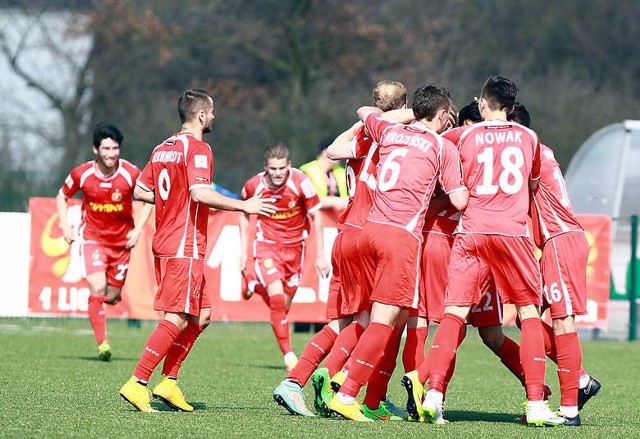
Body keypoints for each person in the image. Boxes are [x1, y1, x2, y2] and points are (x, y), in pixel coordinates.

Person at [403, 76, 566, 427]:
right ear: (510, 108)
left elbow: (428, 143)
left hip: (471, 231)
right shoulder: (529, 138)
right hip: (512, 233)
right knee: (529, 314)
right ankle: (536, 402)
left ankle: (433, 394)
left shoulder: (465, 135)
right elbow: (532, 184)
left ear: (482, 104)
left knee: (454, 315)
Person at [118, 88, 275, 413]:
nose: (215, 116)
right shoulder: (199, 148)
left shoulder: (162, 148)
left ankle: (169, 382)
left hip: (165, 240)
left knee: (201, 315)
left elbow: (141, 190)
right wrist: (244, 205)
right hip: (183, 243)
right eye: (212, 112)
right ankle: (137, 381)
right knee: (176, 316)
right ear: (201, 115)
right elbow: (201, 193)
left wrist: (172, 199)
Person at [327, 83, 468, 422]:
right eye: (446, 114)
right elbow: (460, 200)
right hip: (400, 236)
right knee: (385, 321)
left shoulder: (389, 130)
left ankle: (364, 394)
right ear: (439, 115)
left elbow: (365, 112)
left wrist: (411, 114)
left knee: (384, 317)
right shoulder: (440, 146)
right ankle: (346, 391)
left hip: (368, 231)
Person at [272, 80, 410, 420]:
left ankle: (309, 380)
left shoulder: (363, 135)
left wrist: (364, 119)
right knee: (376, 321)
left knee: (343, 322)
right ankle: (330, 379)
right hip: (372, 235)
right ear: (404, 105)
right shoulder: (397, 138)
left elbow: (332, 151)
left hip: (346, 232)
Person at [509, 102, 601, 425]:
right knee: (528, 317)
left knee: (562, 321)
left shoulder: (527, 151)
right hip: (558, 241)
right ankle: (580, 380)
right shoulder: (541, 150)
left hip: (560, 241)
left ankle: (570, 410)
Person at [56, 122, 153, 361]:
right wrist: (65, 225)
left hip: (122, 245)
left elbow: (149, 198)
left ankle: (96, 302)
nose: (111, 154)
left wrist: (139, 229)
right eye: (106, 149)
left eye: (115, 148)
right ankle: (103, 344)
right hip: (93, 240)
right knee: (97, 287)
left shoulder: (131, 173)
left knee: (111, 296)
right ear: (95, 149)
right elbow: (62, 195)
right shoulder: (82, 174)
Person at [239, 143, 330, 372]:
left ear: (289, 165)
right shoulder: (254, 185)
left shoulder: (301, 182)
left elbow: (316, 217)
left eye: (281, 168)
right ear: (265, 168)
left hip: (294, 250)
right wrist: (243, 251)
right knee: (278, 301)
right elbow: (243, 211)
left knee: (282, 306)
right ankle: (289, 356)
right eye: (273, 169)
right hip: (267, 247)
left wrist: (320, 255)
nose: (277, 173)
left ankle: (252, 284)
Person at [300, 137, 349, 211]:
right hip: (316, 218)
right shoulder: (308, 171)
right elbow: (306, 199)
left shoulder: (342, 172)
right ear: (326, 151)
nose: (342, 155)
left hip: (338, 219)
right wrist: (337, 201)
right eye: (339, 150)